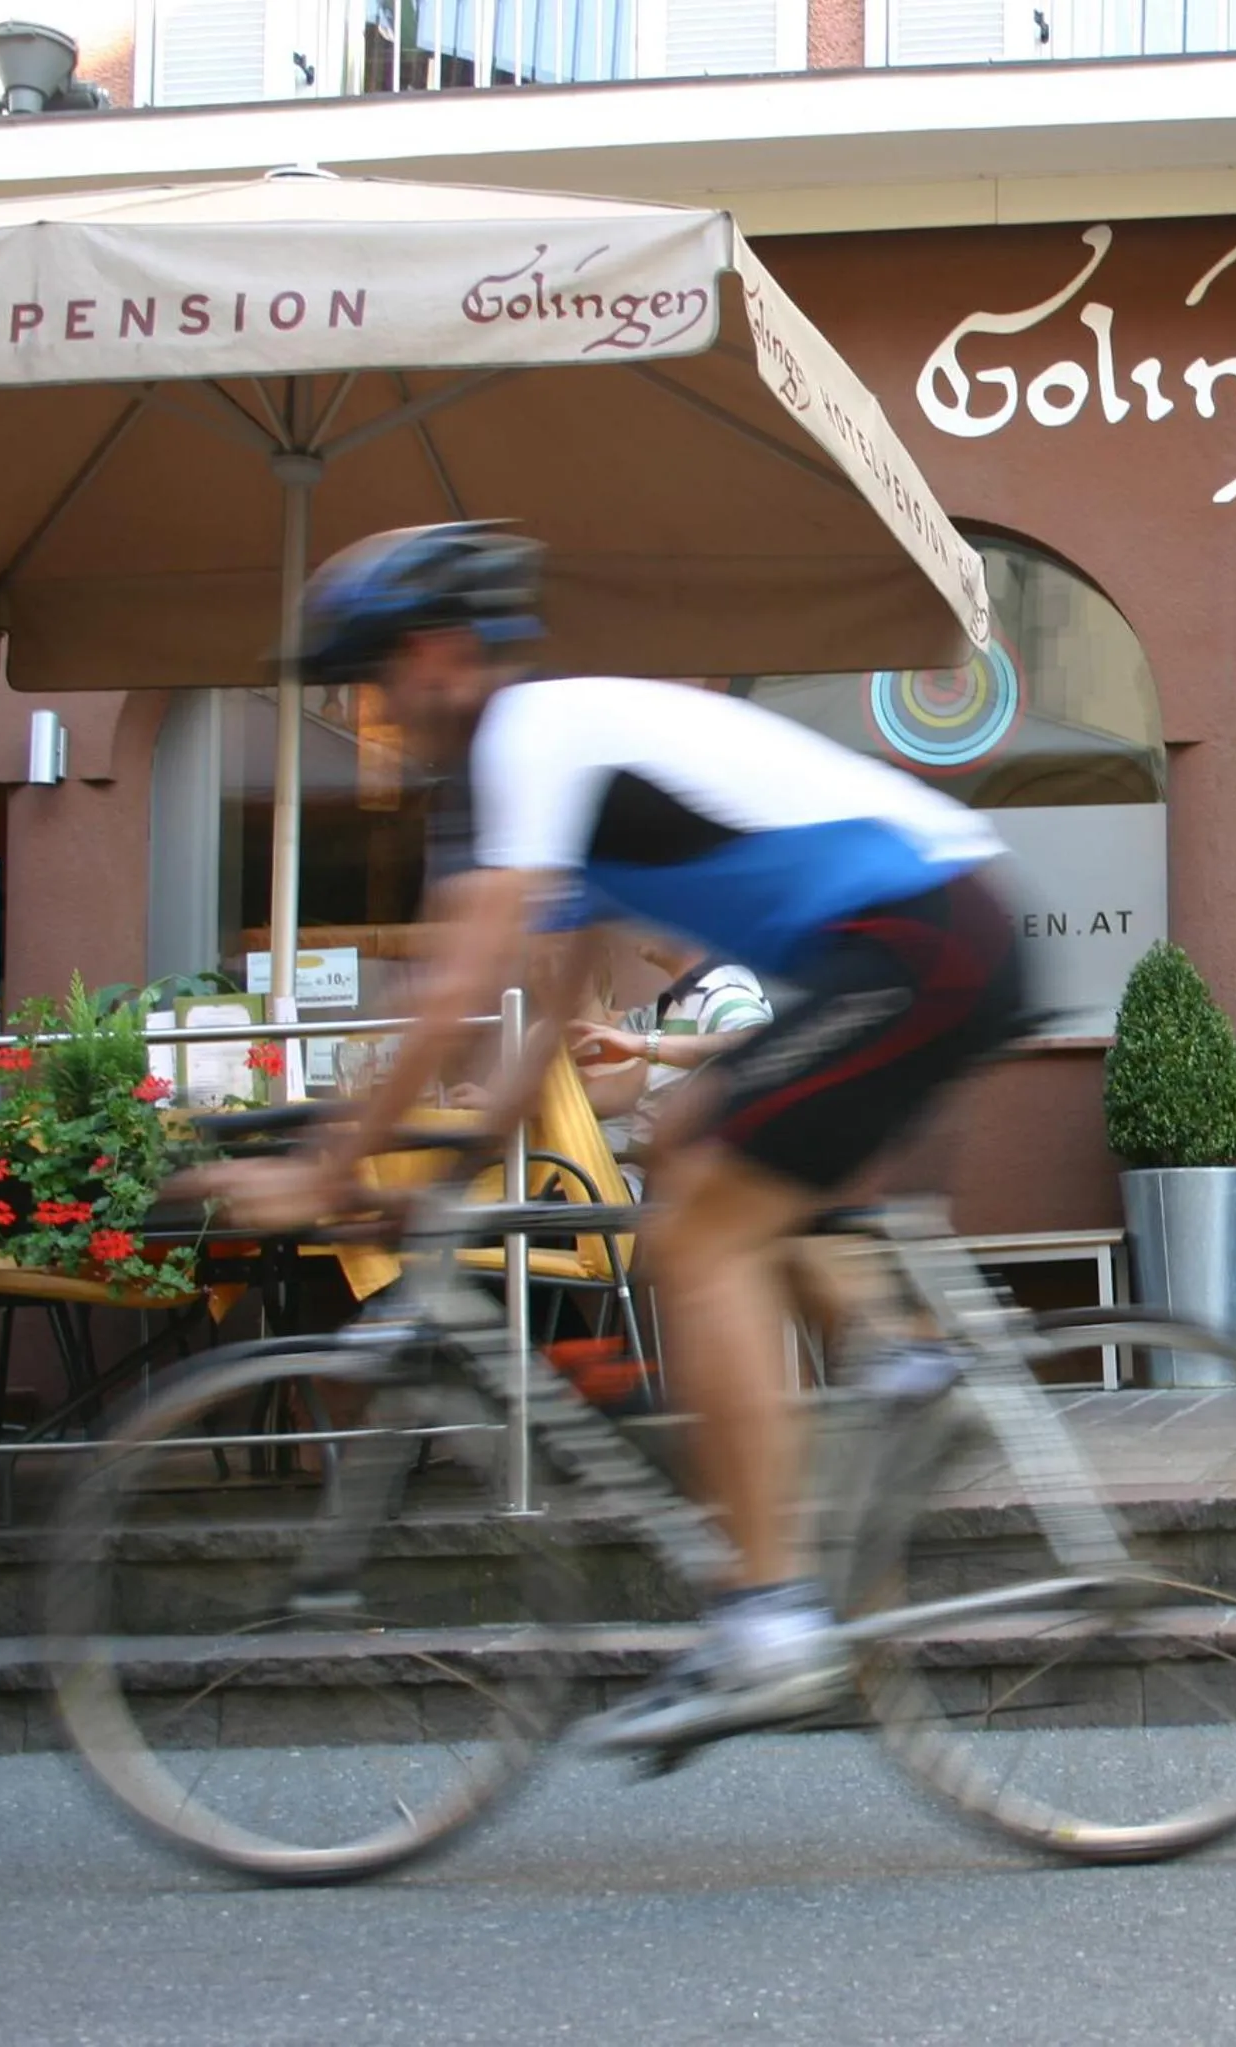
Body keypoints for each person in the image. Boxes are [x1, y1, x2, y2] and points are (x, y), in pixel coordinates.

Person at [204, 521, 1020, 1752]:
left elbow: (457, 981)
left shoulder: (530, 740)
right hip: (912, 942)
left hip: (925, 939)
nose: (370, 710)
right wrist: (457, 1162)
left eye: (369, 678)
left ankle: (770, 1620)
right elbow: (541, 1014)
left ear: (435, 654)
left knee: (693, 1236)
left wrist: (328, 1168)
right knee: (687, 1149)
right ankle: (903, 1365)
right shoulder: (552, 781)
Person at [578, 938, 774, 1194]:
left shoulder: (723, 989)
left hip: (667, 1196)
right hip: (642, 1190)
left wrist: (645, 1044)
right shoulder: (683, 1002)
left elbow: (758, 1046)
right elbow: (618, 1091)